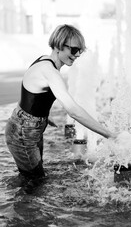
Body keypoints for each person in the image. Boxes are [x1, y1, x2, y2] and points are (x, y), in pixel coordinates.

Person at [5, 24, 118, 179]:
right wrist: (109, 134)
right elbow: (73, 111)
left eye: (80, 51)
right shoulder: (50, 72)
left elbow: (31, 89)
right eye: (74, 50)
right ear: (59, 45)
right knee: (34, 181)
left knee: (34, 175)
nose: (77, 54)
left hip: (26, 127)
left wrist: (40, 114)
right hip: (23, 133)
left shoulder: (44, 62)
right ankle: (18, 202)